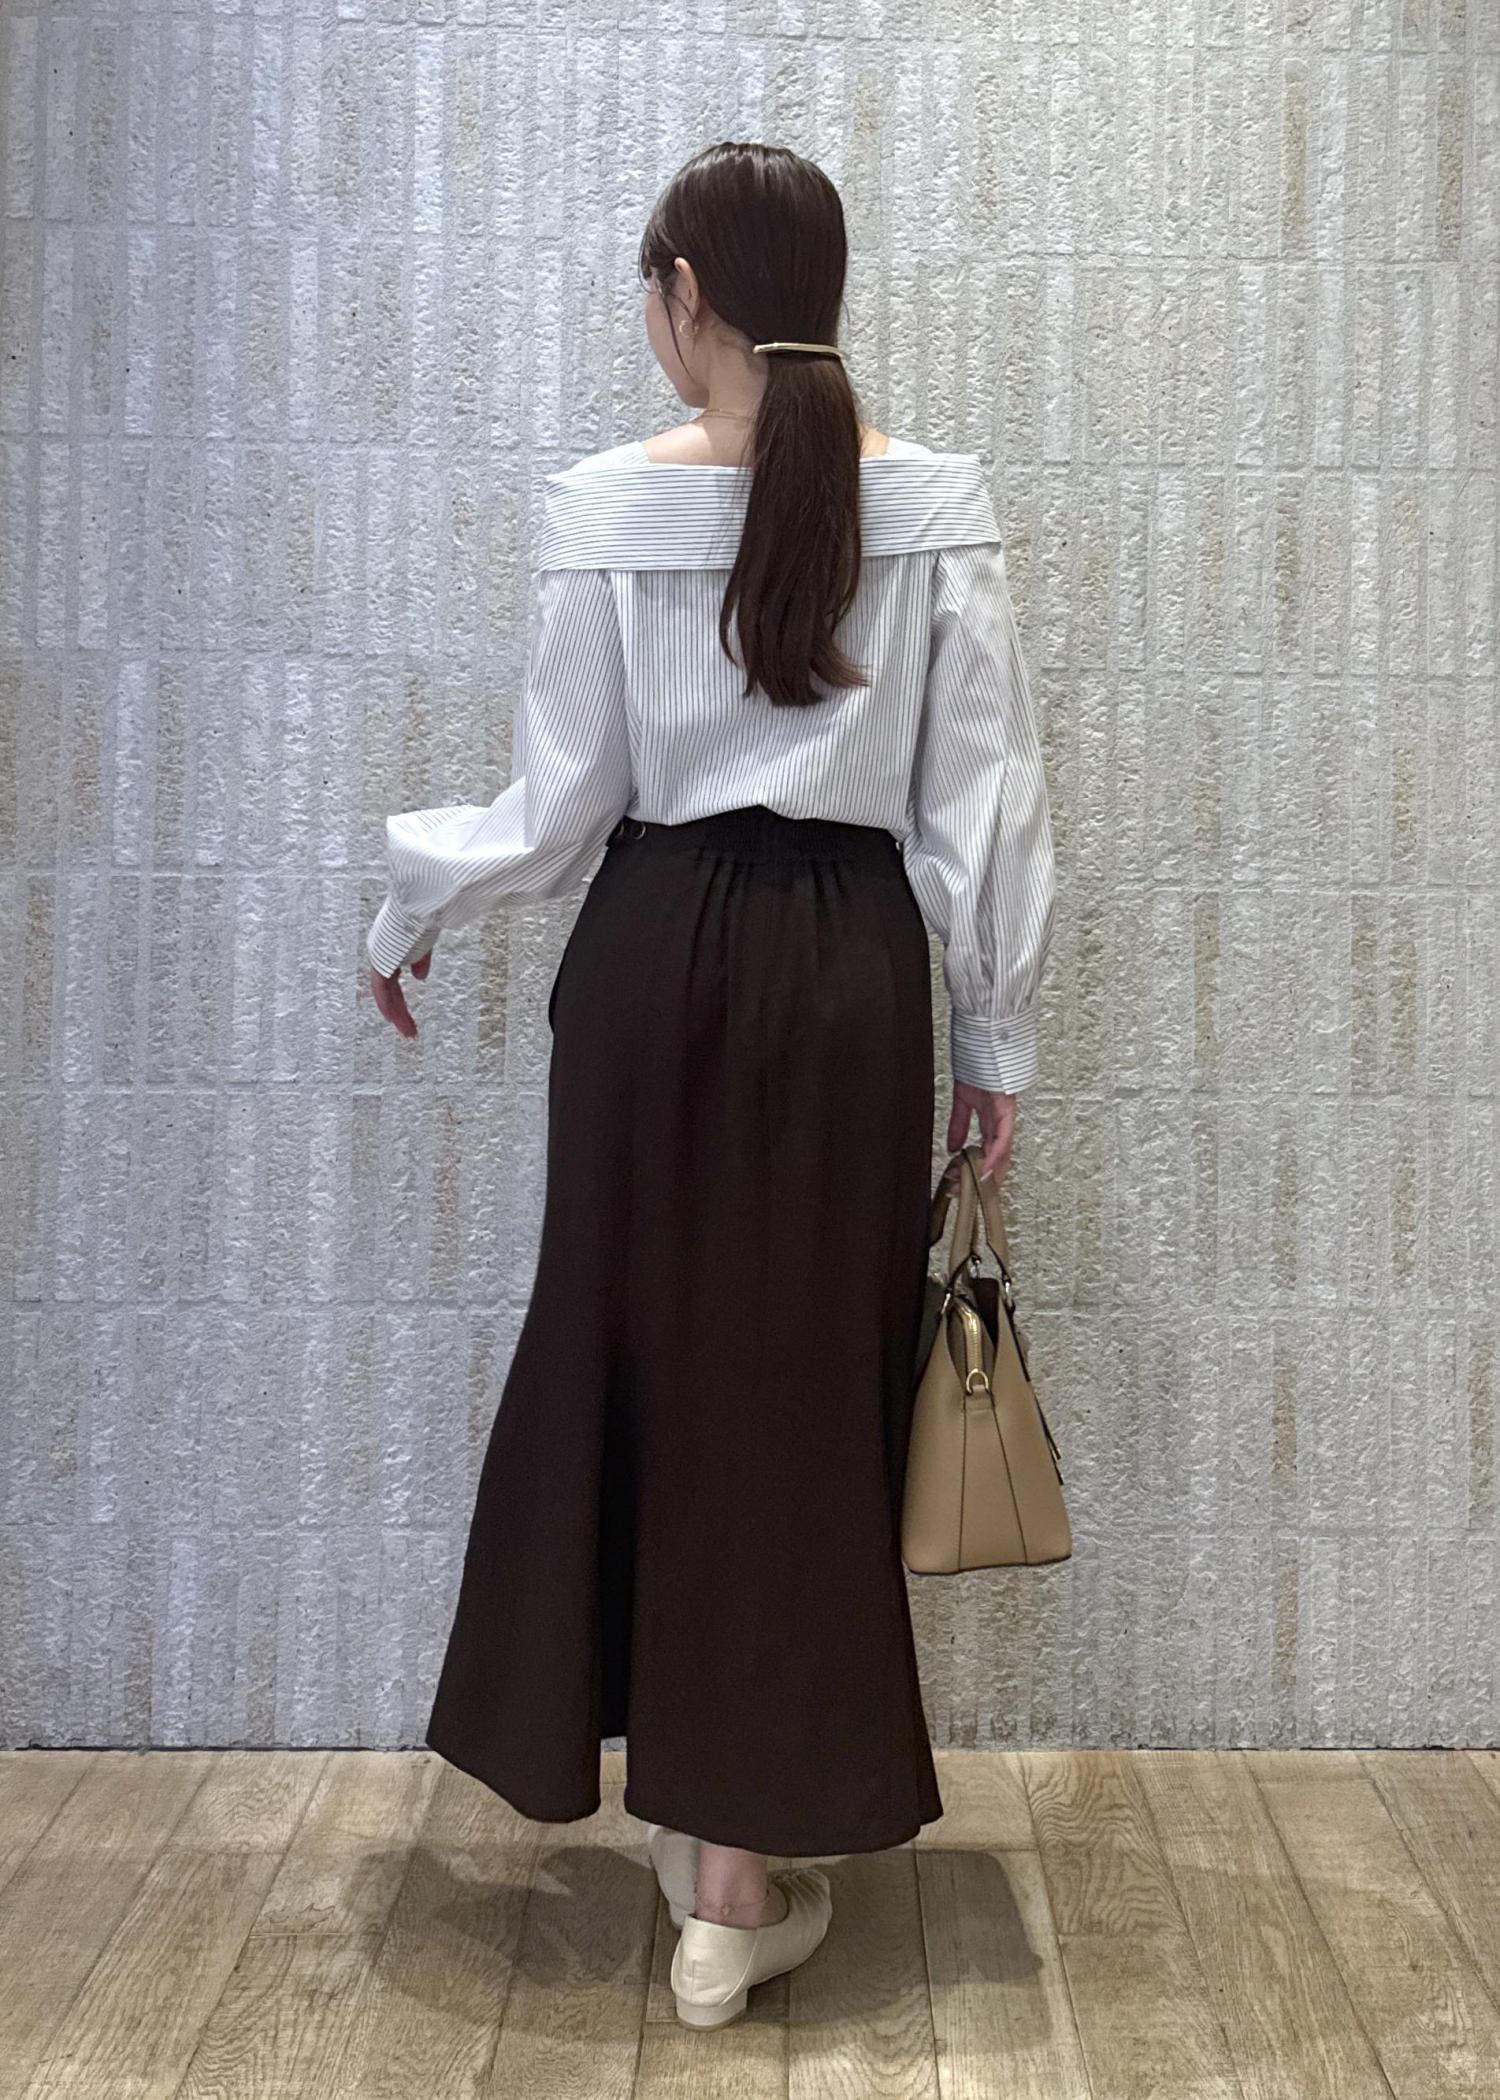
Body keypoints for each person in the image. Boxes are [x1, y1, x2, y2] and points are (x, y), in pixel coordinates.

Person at [366, 140, 1057, 2031]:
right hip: (847, 980)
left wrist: (407, 908)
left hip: (654, 957)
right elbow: (983, 805)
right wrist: (994, 1041)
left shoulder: (608, 503)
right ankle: (731, 1873)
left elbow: (559, 806)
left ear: (686, 297)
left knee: (640, 1361)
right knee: (799, 1396)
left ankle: (705, 1845)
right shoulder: (938, 505)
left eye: (648, 292)